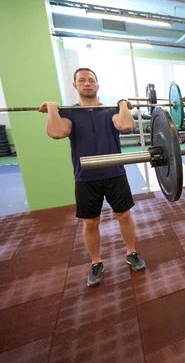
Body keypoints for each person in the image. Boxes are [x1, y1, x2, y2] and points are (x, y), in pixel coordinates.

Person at [39, 68, 146, 287]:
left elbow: (125, 125)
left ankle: (131, 252)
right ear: (75, 86)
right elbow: (57, 133)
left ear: (97, 86)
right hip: (85, 177)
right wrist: (52, 108)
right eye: (82, 80)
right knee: (91, 222)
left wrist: (123, 104)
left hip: (114, 173)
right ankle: (96, 262)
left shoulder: (109, 111)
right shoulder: (70, 113)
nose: (87, 83)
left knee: (123, 216)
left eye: (91, 80)